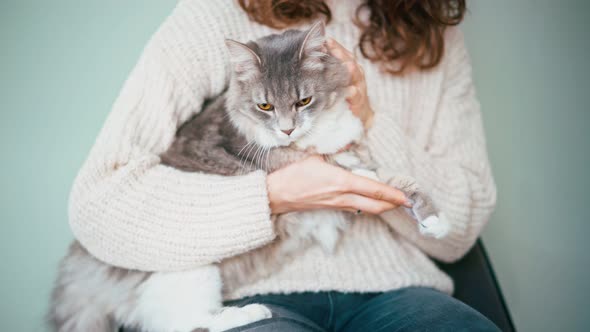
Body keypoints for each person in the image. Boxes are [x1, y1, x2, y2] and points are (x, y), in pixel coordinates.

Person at [69, 0, 499, 330]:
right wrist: (272, 197)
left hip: (402, 289)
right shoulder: (216, 13)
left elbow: (459, 227)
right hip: (243, 291)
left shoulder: (434, 33)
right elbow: (100, 200)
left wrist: (367, 119)